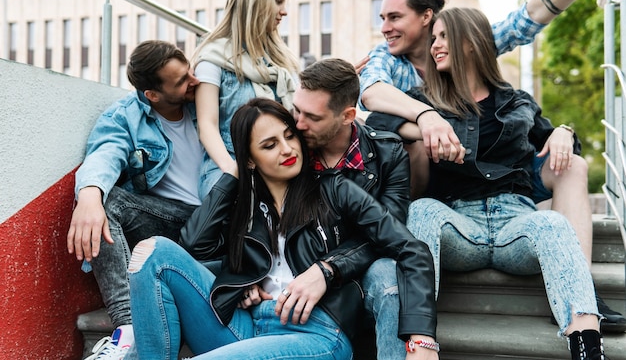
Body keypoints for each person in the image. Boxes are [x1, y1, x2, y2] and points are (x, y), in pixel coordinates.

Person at [357, 0, 626, 331]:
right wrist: (428, 119)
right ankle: (416, 318)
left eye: (395, 17)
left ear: (430, 19)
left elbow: (532, 15)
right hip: (439, 191)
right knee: (414, 159)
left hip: (504, 195)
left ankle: (578, 291)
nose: (385, 27)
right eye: (382, 17)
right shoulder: (389, 60)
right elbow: (371, 98)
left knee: (573, 163)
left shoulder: (490, 73)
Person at [368, 7, 606, 359]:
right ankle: (420, 344)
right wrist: (426, 126)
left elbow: (556, 147)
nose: (435, 45)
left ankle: (587, 346)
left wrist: (563, 133)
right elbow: (376, 121)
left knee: (554, 224)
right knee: (422, 211)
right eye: (433, 38)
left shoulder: (517, 102)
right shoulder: (424, 101)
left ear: (472, 42)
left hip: (517, 225)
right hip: (459, 225)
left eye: (444, 36)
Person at [126, 97, 438, 360]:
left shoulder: (335, 189)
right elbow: (195, 244)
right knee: (153, 252)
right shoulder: (246, 207)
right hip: (246, 327)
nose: (288, 149)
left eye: (289, 136)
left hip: (316, 331)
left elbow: (412, 249)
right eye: (270, 145)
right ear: (250, 159)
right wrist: (235, 176)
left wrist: (422, 336)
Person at [67, 40, 202, 360]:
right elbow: (105, 155)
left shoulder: (208, 101)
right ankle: (128, 325)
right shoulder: (125, 117)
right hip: (172, 220)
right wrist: (88, 196)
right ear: (152, 95)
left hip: (220, 216)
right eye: (181, 80)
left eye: (189, 72)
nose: (194, 81)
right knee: (106, 202)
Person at [293, 58, 414, 360]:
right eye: (296, 110)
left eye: (312, 117)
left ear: (348, 115)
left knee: (390, 277)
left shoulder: (388, 152)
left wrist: (330, 268)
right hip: (299, 267)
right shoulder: (289, 146)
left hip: (360, 267)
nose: (298, 124)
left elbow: (389, 234)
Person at [191, 0, 300, 198]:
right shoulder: (213, 58)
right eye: (278, 1)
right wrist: (232, 172)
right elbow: (207, 126)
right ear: (257, 0)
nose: (284, 11)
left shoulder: (282, 61)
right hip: (229, 168)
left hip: (281, 166)